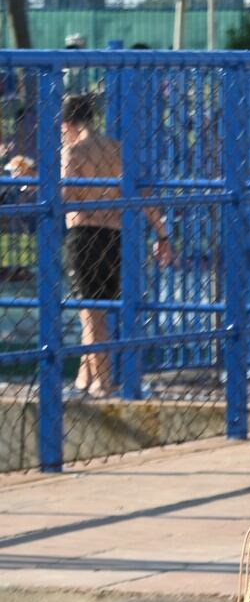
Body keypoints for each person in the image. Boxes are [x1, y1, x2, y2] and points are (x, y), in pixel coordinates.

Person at [59, 94, 169, 396]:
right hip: (115, 236)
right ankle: (85, 378)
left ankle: (104, 382)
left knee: (90, 312)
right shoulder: (117, 149)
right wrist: (162, 234)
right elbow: (143, 193)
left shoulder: (73, 151)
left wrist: (35, 183)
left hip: (84, 236)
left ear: (67, 123)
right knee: (96, 311)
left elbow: (66, 197)